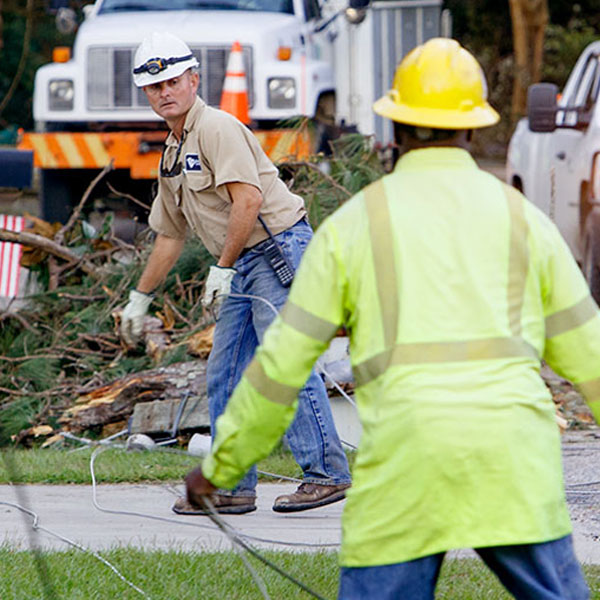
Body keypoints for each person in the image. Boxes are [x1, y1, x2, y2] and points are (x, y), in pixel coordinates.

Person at [184, 38, 600, 599]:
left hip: (406, 465)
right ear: (473, 131)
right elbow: (590, 357)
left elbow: (280, 366)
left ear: (396, 132)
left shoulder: (356, 226)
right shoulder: (525, 221)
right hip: (513, 462)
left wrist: (221, 466)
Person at [120, 31, 351, 515]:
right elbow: (169, 235)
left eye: (172, 81)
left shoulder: (217, 128)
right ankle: (232, 486)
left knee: (284, 364)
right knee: (223, 373)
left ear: (193, 79)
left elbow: (248, 199)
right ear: (146, 93)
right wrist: (139, 298)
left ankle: (326, 474)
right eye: (154, 85)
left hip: (276, 252)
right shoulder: (171, 151)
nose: (164, 92)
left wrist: (222, 268)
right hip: (242, 262)